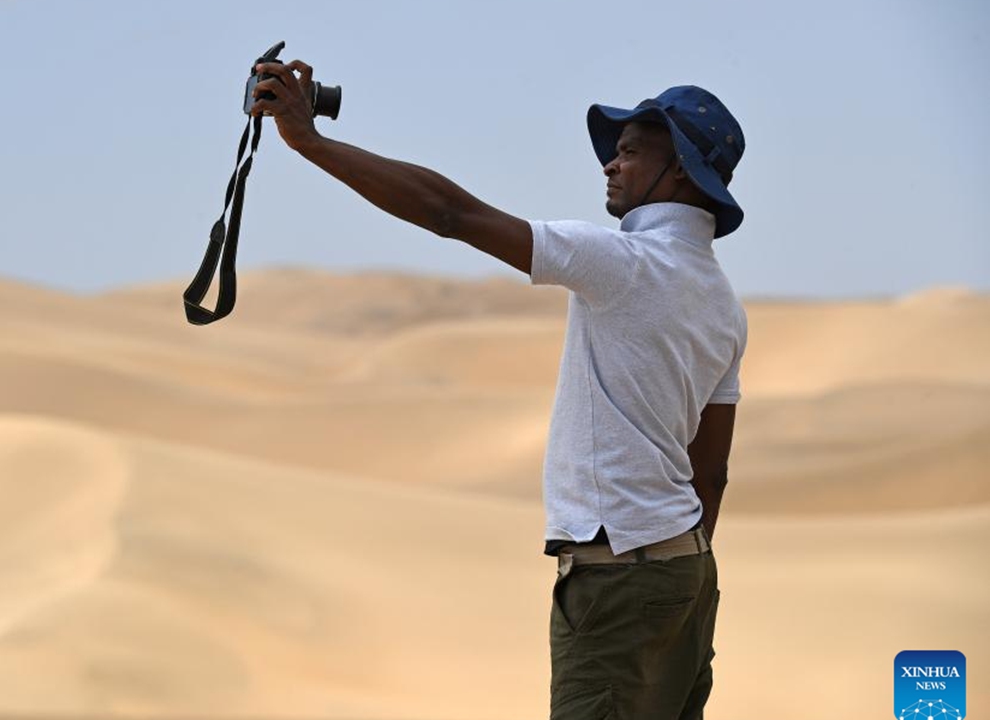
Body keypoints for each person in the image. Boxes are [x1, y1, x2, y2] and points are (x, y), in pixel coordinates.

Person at [250, 61, 747, 720]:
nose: (610, 165)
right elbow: (710, 471)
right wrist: (676, 574)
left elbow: (450, 214)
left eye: (629, 152)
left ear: (680, 169)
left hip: (616, 575)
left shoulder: (621, 263)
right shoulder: (723, 303)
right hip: (690, 570)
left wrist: (310, 142)